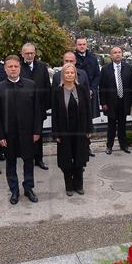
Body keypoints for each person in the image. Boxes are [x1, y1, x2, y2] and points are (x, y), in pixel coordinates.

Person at [0, 55, 42, 204]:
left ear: (20, 68)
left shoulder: (31, 85)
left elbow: (37, 111)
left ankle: (28, 188)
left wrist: (37, 131)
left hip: (28, 132)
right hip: (9, 134)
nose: (13, 69)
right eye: (10, 67)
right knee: (11, 162)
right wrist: (0, 135)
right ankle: (14, 190)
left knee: (28, 160)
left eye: (15, 66)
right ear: (5, 68)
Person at [51, 63, 92, 196]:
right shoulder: (57, 91)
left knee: (79, 158)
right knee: (66, 159)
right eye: (67, 73)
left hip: (80, 130)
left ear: (75, 75)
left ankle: (79, 185)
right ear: (63, 75)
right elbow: (55, 113)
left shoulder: (82, 90)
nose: (69, 75)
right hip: (64, 131)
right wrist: (56, 133)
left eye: (72, 73)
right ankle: (69, 186)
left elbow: (88, 111)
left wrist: (89, 129)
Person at [20, 43, 51, 170]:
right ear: (22, 54)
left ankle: (39, 159)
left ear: (35, 53)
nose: (29, 55)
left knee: (39, 133)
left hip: (39, 107)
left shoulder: (42, 67)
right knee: (26, 134)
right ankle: (27, 158)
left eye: (32, 53)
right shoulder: (19, 67)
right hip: (24, 109)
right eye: (27, 53)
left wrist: (46, 105)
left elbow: (46, 87)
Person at [99, 46, 132, 154]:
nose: (117, 54)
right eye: (115, 52)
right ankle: (109, 146)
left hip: (124, 102)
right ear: (111, 55)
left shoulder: (128, 68)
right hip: (111, 102)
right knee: (111, 126)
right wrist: (103, 103)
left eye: (119, 52)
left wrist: (131, 101)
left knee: (123, 125)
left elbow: (131, 86)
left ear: (122, 54)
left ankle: (124, 145)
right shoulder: (105, 69)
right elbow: (102, 87)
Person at [74, 36, 100, 119]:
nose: (82, 46)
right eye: (79, 44)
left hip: (91, 92)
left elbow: (97, 75)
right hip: (76, 92)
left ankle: (88, 132)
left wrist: (92, 89)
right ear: (76, 45)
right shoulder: (72, 58)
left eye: (84, 44)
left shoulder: (93, 58)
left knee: (89, 118)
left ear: (86, 45)